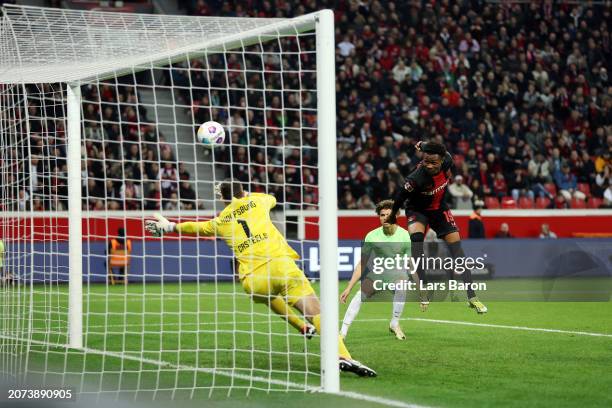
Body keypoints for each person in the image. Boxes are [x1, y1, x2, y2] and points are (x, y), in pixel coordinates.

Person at [145, 180, 376, 377]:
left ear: (223, 200)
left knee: (266, 297)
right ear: (243, 193)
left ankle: (300, 327)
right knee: (317, 311)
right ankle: (342, 356)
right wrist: (245, 195)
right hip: (280, 267)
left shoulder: (220, 220)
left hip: (253, 280)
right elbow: (272, 198)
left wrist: (170, 226)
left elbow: (195, 228)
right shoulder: (257, 201)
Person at [391, 141, 487, 313]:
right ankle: (424, 288)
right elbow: (400, 196)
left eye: (433, 162)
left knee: (457, 250)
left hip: (439, 209)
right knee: (417, 242)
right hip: (417, 210)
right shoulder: (415, 178)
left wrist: (423, 145)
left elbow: (435, 147)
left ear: (442, 160)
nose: (428, 165)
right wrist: (392, 215)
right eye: (425, 161)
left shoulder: (448, 160)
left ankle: (472, 296)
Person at [339, 200, 411, 341]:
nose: (384, 218)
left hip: (396, 274)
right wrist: (348, 287)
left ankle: (394, 324)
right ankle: (342, 333)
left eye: (388, 215)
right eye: (382, 215)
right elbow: (362, 263)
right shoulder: (372, 236)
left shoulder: (405, 236)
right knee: (358, 297)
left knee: (402, 284)